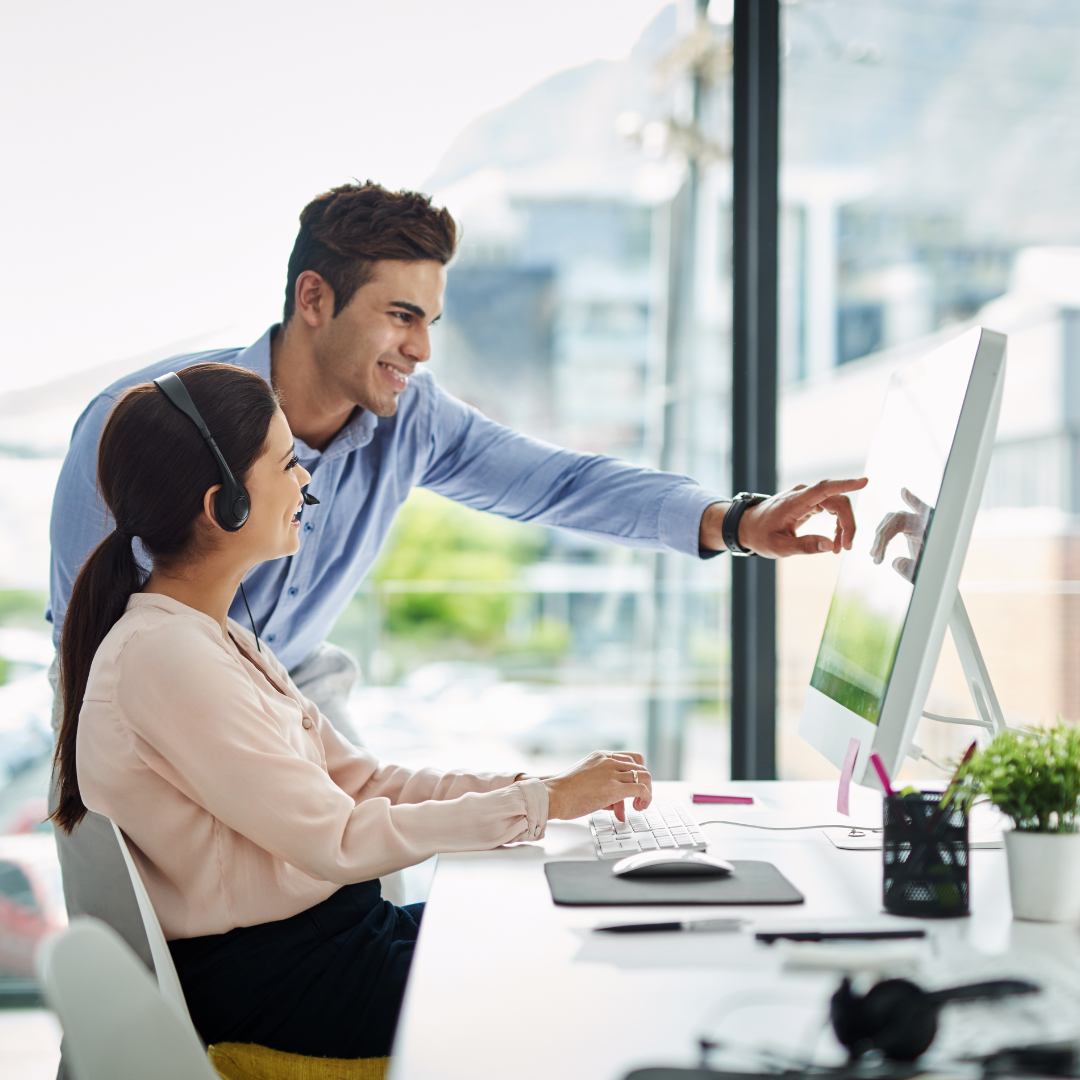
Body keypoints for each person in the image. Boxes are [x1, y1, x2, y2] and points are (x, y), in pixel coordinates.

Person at [48, 180, 867, 972]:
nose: (422, 348)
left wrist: (737, 522)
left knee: (390, 905)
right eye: (401, 317)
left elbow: (560, 483)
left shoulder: (414, 418)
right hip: (145, 695)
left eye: (431, 321)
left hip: (287, 684)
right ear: (314, 298)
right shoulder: (149, 423)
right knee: (146, 958)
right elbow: (97, 647)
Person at [52, 363, 654, 1059]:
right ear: (226, 506)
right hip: (284, 981)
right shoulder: (165, 659)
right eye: (285, 464)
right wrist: (538, 804)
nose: (306, 480)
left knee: (551, 926)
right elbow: (338, 839)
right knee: (560, 983)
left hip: (334, 942)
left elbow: (365, 784)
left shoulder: (215, 638)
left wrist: (544, 794)